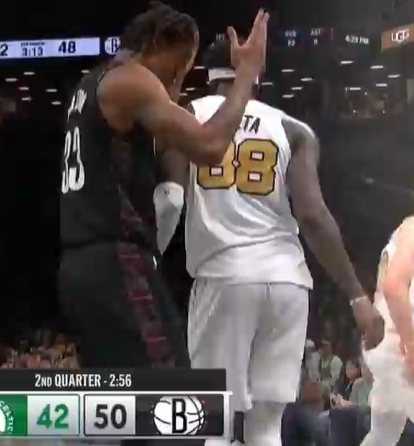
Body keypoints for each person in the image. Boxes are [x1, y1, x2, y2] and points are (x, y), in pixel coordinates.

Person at [156, 39, 384, 446]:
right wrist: (357, 297)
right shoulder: (293, 129)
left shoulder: (186, 117)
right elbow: (313, 216)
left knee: (216, 424)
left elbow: (171, 199)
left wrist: (149, 259)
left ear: (206, 75)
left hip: (224, 277)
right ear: (255, 74)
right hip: (287, 282)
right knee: (266, 427)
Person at [59, 1, 269, 371]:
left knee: (124, 398)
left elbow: (158, 141)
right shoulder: (131, 79)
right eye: (177, 68)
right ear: (157, 45)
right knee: (173, 392)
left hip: (79, 265)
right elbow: (210, 146)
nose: (175, 82)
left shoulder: (91, 85)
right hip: (117, 260)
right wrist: (246, 75)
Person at [361, 217, 414, 446]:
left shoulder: (404, 230)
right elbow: (393, 286)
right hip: (401, 342)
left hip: (389, 341)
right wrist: (410, 342)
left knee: (382, 435)